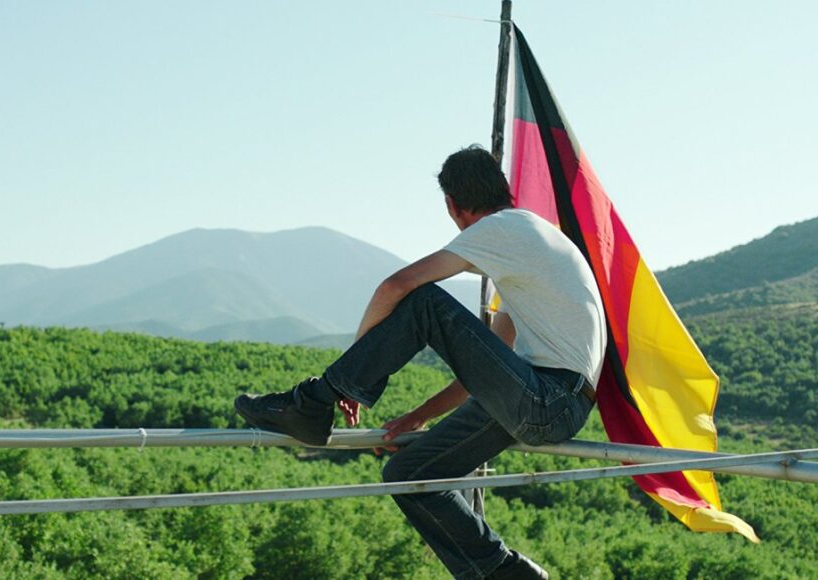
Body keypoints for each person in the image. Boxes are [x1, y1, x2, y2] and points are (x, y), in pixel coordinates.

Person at [235, 144, 606, 579]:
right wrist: (414, 417)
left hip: (547, 398)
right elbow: (484, 372)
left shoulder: (501, 230)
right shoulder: (528, 246)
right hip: (551, 403)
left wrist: (345, 381)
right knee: (409, 472)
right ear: (501, 189)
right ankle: (505, 572)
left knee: (426, 300)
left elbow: (396, 286)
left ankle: (310, 401)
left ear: (452, 204)